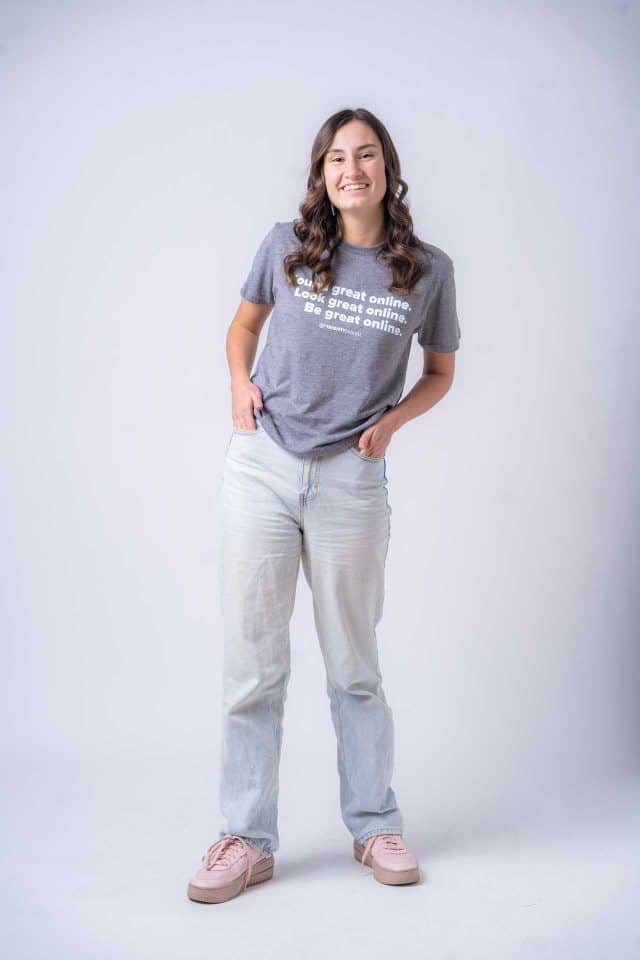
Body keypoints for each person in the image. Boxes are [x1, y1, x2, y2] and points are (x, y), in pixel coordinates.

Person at [187, 107, 461, 904]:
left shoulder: (428, 271)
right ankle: (246, 839)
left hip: (350, 481)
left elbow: (440, 373)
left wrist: (394, 422)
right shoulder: (285, 247)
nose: (352, 170)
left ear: (388, 169)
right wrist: (240, 385)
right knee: (254, 666)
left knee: (355, 669)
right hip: (263, 468)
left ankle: (375, 824)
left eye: (366, 155)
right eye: (337, 158)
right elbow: (242, 330)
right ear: (322, 174)